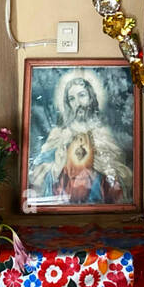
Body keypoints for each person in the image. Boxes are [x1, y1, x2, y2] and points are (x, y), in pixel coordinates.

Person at [28, 73, 131, 206]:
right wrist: (58, 164)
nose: (77, 103)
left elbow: (119, 168)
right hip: (62, 198)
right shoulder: (59, 133)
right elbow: (40, 168)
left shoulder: (102, 132)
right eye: (72, 98)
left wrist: (102, 165)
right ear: (68, 103)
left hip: (98, 198)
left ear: (91, 97)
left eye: (82, 95)